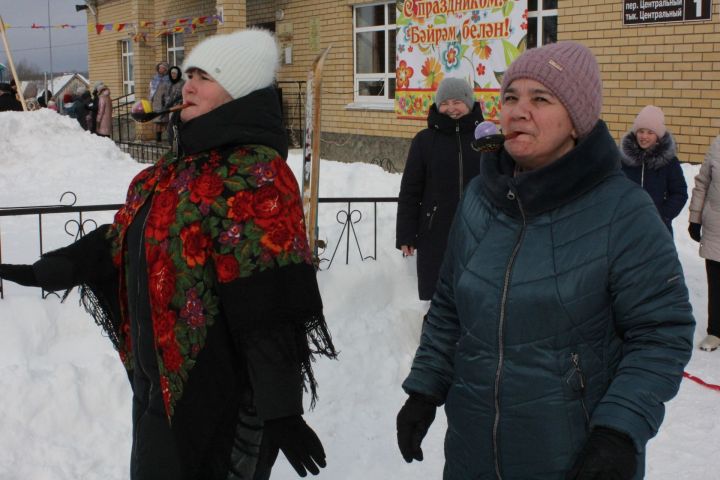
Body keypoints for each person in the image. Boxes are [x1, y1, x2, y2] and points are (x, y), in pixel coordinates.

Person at [0, 28, 336, 480]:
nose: (188, 86)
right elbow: (122, 239)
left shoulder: (256, 172)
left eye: (205, 76)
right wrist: (52, 268)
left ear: (238, 92)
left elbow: (271, 299)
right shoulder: (170, 173)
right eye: (190, 74)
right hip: (157, 391)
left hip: (219, 404)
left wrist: (281, 410)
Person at [395, 41, 694, 479]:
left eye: (540, 99)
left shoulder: (623, 211)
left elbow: (661, 333)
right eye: (511, 97)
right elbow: (447, 308)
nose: (517, 111)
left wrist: (619, 430)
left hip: (574, 458)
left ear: (577, 120)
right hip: (472, 452)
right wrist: (423, 390)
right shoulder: (480, 198)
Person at [395, 77, 483, 301]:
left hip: (480, 229)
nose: (451, 108)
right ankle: (436, 332)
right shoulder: (424, 141)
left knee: (477, 287)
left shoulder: (484, 138)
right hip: (435, 231)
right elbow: (410, 191)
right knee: (438, 291)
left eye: (457, 101)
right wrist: (406, 233)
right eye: (444, 102)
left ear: (469, 103)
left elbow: (500, 182)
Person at [620, 105, 687, 233]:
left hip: (658, 229)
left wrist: (661, 216)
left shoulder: (669, 162)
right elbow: (614, 189)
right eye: (641, 131)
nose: (644, 136)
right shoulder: (623, 159)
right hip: (626, 228)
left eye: (650, 132)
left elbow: (679, 193)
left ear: (658, 136)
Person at [689, 135, 720, 352]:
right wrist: (694, 218)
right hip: (716, 226)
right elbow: (702, 183)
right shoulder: (718, 145)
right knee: (716, 281)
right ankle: (715, 331)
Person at [164, 66, 185, 148]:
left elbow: (183, 94)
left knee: (177, 123)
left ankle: (179, 141)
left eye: (175, 73)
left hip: (179, 106)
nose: (173, 75)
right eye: (172, 73)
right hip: (170, 107)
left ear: (178, 74)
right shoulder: (169, 83)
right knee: (170, 124)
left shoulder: (183, 83)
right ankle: (172, 141)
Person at [150, 61, 171, 142]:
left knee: (165, 122)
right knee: (157, 121)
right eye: (159, 68)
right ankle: (158, 138)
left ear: (165, 69)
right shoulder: (155, 78)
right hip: (156, 103)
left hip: (165, 102)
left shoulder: (168, 79)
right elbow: (151, 90)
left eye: (162, 68)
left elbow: (169, 91)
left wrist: (167, 101)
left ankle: (167, 137)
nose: (160, 69)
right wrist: (150, 100)